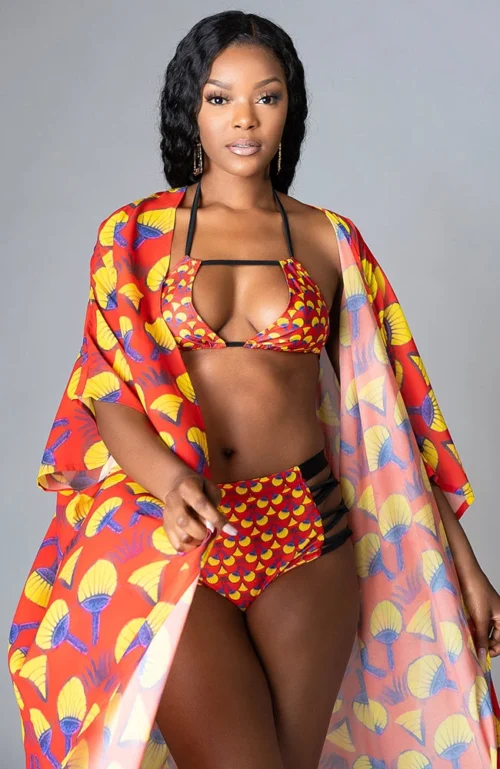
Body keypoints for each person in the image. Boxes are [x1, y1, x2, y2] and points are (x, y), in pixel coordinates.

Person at [8, 10, 500, 769]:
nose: (244, 118)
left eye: (266, 97)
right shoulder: (132, 236)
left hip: (307, 530)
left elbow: (394, 419)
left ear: (289, 108)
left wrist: (464, 565)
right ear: (191, 108)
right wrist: (171, 482)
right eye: (220, 98)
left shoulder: (332, 241)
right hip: (175, 532)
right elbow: (106, 394)